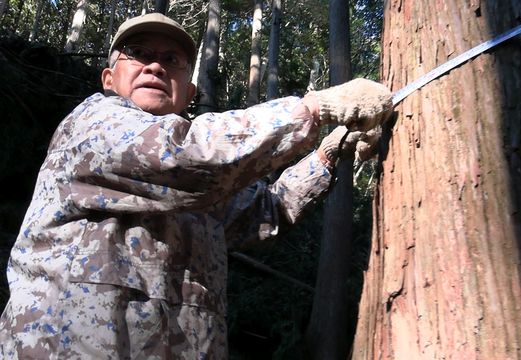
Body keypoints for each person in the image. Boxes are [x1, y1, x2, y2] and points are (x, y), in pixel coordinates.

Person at [0, 13, 392, 359]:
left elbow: (265, 211)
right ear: (108, 78)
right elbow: (184, 157)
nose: (154, 66)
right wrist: (313, 109)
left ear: (188, 92)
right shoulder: (92, 124)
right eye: (138, 53)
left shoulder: (202, 183)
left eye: (171, 60)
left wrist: (325, 155)